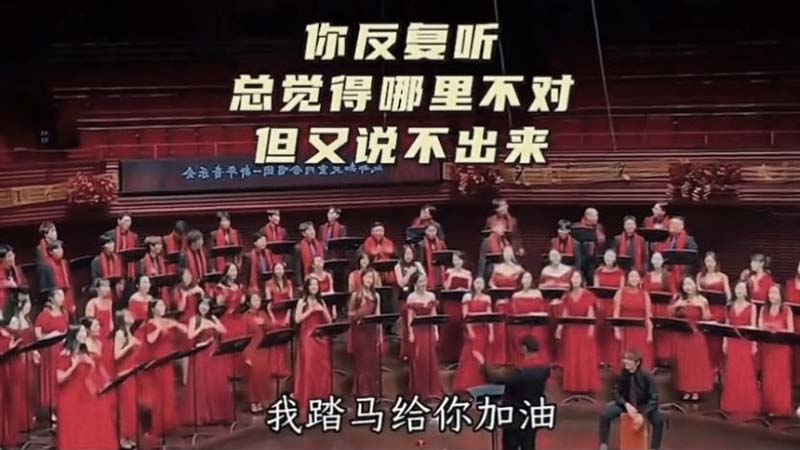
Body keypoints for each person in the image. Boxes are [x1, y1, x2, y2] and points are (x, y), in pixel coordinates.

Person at [473, 336, 551, 450]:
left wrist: (483, 363)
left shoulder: (521, 373)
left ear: (524, 349)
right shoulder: (544, 369)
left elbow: (496, 378)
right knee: (529, 445)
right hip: (532, 414)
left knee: (510, 445)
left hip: (514, 416)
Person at [598, 350, 664, 450]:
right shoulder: (622, 374)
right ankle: (604, 444)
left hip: (644, 405)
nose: (625, 362)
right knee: (605, 415)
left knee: (658, 420)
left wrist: (643, 414)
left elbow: (654, 398)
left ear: (637, 363)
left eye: (629, 360)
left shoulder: (646, 376)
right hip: (627, 404)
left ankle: (655, 448)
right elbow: (616, 393)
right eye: (625, 360)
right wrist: (626, 404)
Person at [183, 298, 232, 426]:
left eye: (206, 305)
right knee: (201, 383)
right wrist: (201, 328)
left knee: (215, 382)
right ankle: (203, 415)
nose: (203, 307)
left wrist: (214, 324)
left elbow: (224, 331)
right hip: (200, 354)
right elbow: (190, 336)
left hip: (213, 353)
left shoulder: (213, 318)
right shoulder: (195, 319)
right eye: (201, 305)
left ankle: (217, 414)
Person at [293, 277, 334, 420]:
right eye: (311, 285)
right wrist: (310, 310)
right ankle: (306, 404)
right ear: (307, 287)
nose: (314, 287)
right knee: (309, 369)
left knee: (322, 369)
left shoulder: (321, 301)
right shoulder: (302, 301)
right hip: (308, 337)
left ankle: (321, 401)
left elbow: (329, 321)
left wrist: (322, 310)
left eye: (316, 285)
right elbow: (297, 319)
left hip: (321, 338)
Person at [669, 277, 713, 401]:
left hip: (696, 335)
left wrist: (702, 307)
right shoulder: (678, 299)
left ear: (695, 285)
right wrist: (676, 306)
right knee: (684, 365)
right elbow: (670, 315)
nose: (687, 287)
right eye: (685, 284)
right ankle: (686, 389)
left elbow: (707, 318)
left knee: (696, 364)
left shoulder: (702, 299)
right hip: (682, 336)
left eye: (690, 284)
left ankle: (696, 390)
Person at [556, 271, 600, 393]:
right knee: (572, 357)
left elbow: (591, 313)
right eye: (573, 278)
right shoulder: (567, 296)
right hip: (571, 330)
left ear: (581, 280)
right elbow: (565, 313)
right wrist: (559, 328)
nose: (575, 280)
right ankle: (572, 386)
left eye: (577, 278)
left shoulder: (588, 295)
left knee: (584, 357)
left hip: (585, 330)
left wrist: (591, 330)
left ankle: (586, 386)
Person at [720, 281, 760, 417]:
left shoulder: (752, 307)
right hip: (732, 342)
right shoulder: (730, 305)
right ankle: (731, 404)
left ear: (747, 291)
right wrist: (724, 342)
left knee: (746, 372)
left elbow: (754, 326)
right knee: (732, 371)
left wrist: (754, 344)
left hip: (745, 342)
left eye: (742, 288)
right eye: (738, 288)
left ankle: (746, 404)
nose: (740, 291)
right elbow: (727, 325)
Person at [406, 272, 444, 400]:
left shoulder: (431, 296)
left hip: (429, 330)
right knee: (420, 359)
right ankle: (420, 391)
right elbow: (410, 317)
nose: (423, 284)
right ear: (415, 283)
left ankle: (432, 390)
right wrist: (411, 333)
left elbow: (434, 314)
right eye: (420, 281)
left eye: (424, 281)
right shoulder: (411, 297)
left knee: (431, 358)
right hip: (418, 330)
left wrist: (436, 331)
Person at [452, 277, 494, 393]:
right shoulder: (467, 297)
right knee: (471, 355)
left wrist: (491, 332)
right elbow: (465, 316)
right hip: (473, 330)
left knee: (483, 355)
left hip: (483, 330)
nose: (479, 285)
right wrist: (470, 330)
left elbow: (490, 316)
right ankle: (467, 383)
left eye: (481, 283)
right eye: (477, 282)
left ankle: (481, 382)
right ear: (473, 284)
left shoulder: (487, 298)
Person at [759, 284, 794, 416]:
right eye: (770, 293)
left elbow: (790, 330)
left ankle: (781, 408)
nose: (771, 296)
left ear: (781, 295)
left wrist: (777, 329)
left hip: (781, 348)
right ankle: (768, 406)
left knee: (780, 378)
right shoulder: (764, 309)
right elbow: (760, 327)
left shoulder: (786, 309)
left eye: (774, 293)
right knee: (768, 378)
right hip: (767, 347)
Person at [35, 288, 69, 419]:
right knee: (50, 378)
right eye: (59, 295)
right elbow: (38, 335)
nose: (62, 298)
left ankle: (60, 406)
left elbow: (66, 331)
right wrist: (51, 336)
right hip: (49, 351)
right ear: (52, 298)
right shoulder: (44, 315)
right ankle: (51, 408)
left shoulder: (64, 313)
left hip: (61, 350)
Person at [348, 270, 381, 397]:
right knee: (361, 361)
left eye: (371, 278)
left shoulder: (376, 296)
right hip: (360, 331)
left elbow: (378, 314)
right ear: (362, 279)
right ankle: (361, 390)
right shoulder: (356, 295)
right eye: (367, 277)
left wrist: (380, 334)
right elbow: (350, 313)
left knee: (371, 361)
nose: (369, 280)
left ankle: (372, 390)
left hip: (372, 331)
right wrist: (360, 313)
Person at [697, 251, 731, 373]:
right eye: (707, 261)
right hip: (705, 310)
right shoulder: (700, 276)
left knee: (716, 341)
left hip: (719, 311)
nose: (709, 264)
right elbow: (697, 294)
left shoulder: (723, 277)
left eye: (712, 261)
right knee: (705, 339)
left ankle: (717, 368)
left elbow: (728, 296)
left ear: (716, 262)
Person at [612, 270, 654, 370]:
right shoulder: (620, 292)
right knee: (625, 357)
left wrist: (650, 333)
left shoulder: (645, 294)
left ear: (639, 279)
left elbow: (648, 315)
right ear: (628, 279)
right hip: (625, 330)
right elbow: (616, 313)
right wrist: (616, 330)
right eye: (631, 276)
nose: (634, 279)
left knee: (639, 357)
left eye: (636, 276)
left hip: (640, 331)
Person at [113, 309, 142, 450]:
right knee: (125, 406)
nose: (132, 316)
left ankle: (130, 435)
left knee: (131, 406)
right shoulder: (120, 334)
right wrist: (130, 345)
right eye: (128, 315)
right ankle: (123, 437)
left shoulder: (130, 332)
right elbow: (116, 356)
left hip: (132, 372)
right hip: (124, 374)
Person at [489, 246, 523, 365]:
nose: (507, 254)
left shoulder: (519, 269)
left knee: (513, 330)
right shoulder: (497, 268)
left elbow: (523, 284)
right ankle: (500, 358)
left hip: (513, 303)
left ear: (512, 254)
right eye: (505, 252)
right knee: (500, 330)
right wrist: (495, 289)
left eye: (509, 252)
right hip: (500, 302)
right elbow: (491, 282)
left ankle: (515, 357)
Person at [510, 272, 549, 366]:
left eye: (529, 278)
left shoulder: (537, 293)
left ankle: (537, 366)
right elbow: (514, 313)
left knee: (537, 338)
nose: (526, 280)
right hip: (520, 326)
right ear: (521, 280)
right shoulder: (516, 295)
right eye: (524, 278)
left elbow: (542, 310)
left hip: (535, 325)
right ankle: (521, 366)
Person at [243, 293, 272, 414]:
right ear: (249, 302)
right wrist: (246, 355)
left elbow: (270, 327)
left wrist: (264, 322)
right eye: (254, 300)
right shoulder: (246, 317)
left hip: (263, 348)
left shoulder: (263, 314)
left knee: (262, 376)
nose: (257, 302)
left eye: (258, 300)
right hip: (251, 349)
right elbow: (244, 336)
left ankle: (261, 401)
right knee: (253, 377)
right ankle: (253, 402)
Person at [416, 223, 447, 290]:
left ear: (436, 231)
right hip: (427, 271)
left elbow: (445, 259)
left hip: (439, 271)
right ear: (426, 231)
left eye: (433, 230)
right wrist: (422, 274)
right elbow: (420, 261)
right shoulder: (421, 244)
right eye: (429, 230)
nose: (432, 233)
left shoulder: (441, 243)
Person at [110, 212, 139, 278]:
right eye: (125, 221)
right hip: (115, 264)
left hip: (129, 266)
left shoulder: (134, 236)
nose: (127, 223)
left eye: (129, 221)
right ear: (119, 221)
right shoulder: (111, 235)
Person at [0, 245, 26, 312]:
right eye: (9, 256)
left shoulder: (12, 269)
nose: (13, 257)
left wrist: (14, 267)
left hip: (10, 303)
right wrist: (9, 283)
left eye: (13, 254)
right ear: (1, 259)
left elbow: (19, 283)